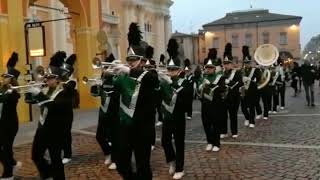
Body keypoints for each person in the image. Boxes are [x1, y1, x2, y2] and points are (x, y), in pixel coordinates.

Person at [113, 22, 159, 180]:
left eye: (134, 59)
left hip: (143, 127)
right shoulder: (124, 75)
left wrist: (130, 70)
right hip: (125, 126)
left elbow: (153, 81)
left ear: (142, 60)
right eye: (129, 59)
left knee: (143, 165)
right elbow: (112, 91)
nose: (130, 61)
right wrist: (107, 76)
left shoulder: (150, 73)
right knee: (120, 161)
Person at [25, 52, 74, 180]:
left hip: (55, 130)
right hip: (41, 128)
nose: (47, 79)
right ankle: (47, 173)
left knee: (56, 159)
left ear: (58, 78)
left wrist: (39, 94)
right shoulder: (45, 89)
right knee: (35, 156)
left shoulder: (65, 91)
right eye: (47, 77)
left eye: (50, 77)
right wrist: (31, 91)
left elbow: (54, 106)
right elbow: (30, 101)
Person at [160, 38, 188, 179]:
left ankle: (180, 168)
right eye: (169, 69)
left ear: (179, 70)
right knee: (165, 141)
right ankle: (172, 160)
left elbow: (185, 99)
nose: (170, 71)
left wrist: (172, 83)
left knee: (179, 142)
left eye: (173, 69)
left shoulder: (185, 82)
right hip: (167, 117)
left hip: (178, 117)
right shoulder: (164, 82)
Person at [90, 55, 120, 170]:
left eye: (109, 67)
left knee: (115, 137)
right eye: (105, 67)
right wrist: (95, 87)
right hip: (103, 111)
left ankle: (116, 159)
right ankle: (108, 153)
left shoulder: (118, 77)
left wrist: (113, 76)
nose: (106, 69)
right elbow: (97, 94)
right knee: (99, 136)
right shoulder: (103, 77)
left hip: (115, 111)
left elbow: (118, 93)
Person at [0, 52, 22, 180]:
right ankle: (12, 164)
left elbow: (6, 99)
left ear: (12, 79)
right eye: (3, 77)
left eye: (6, 77)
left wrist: (9, 88)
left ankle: (8, 173)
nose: (4, 79)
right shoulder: (2, 88)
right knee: (6, 148)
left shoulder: (14, 93)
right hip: (2, 123)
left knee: (6, 147)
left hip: (10, 124)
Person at [222, 43, 243, 138]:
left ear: (231, 64)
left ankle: (234, 132)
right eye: (225, 64)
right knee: (223, 116)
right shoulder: (221, 73)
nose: (226, 65)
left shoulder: (237, 73)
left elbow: (240, 83)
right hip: (223, 97)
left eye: (228, 64)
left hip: (234, 97)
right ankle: (224, 132)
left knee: (233, 115)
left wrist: (228, 82)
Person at [61, 54, 77, 165]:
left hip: (66, 113)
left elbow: (67, 89)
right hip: (55, 112)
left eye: (63, 72)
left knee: (65, 134)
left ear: (68, 73)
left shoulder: (71, 83)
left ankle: (68, 155)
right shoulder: (57, 82)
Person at [240, 46, 261, 128]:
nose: (246, 64)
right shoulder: (241, 71)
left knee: (252, 107)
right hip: (243, 90)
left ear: (250, 63)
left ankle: (252, 121)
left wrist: (251, 79)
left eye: (248, 62)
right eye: (245, 63)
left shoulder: (255, 70)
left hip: (252, 90)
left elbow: (258, 79)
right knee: (243, 107)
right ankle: (247, 118)